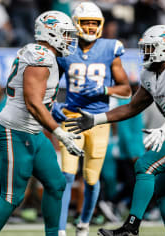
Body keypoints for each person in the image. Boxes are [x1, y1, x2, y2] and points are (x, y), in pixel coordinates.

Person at [66, 25, 165, 236]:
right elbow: (131, 107)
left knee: (145, 164)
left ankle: (130, 227)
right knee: (162, 190)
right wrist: (96, 119)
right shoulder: (150, 74)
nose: (145, 52)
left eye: (150, 47)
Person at [0, 10, 83, 236]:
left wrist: (52, 107)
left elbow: (39, 100)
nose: (69, 39)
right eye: (65, 34)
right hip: (15, 131)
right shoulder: (40, 56)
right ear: (51, 33)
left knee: (56, 184)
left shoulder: (46, 55)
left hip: (34, 132)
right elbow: (33, 103)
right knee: (12, 197)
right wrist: (61, 134)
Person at [51, 2, 131, 236]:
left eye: (94, 23)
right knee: (66, 175)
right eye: (85, 22)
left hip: (98, 120)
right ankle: (60, 229)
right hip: (73, 117)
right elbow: (51, 85)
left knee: (91, 178)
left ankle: (84, 224)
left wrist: (103, 90)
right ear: (76, 23)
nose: (90, 26)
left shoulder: (110, 48)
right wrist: (53, 104)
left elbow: (126, 89)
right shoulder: (66, 49)